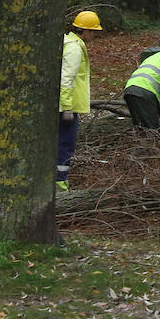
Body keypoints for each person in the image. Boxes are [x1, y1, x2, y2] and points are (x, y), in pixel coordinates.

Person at [58, 10, 99, 192]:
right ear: (85, 31)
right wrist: (67, 107)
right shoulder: (74, 48)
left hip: (65, 104)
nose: (95, 35)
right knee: (66, 145)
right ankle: (60, 183)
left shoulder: (70, 43)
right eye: (93, 31)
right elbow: (67, 77)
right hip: (67, 106)